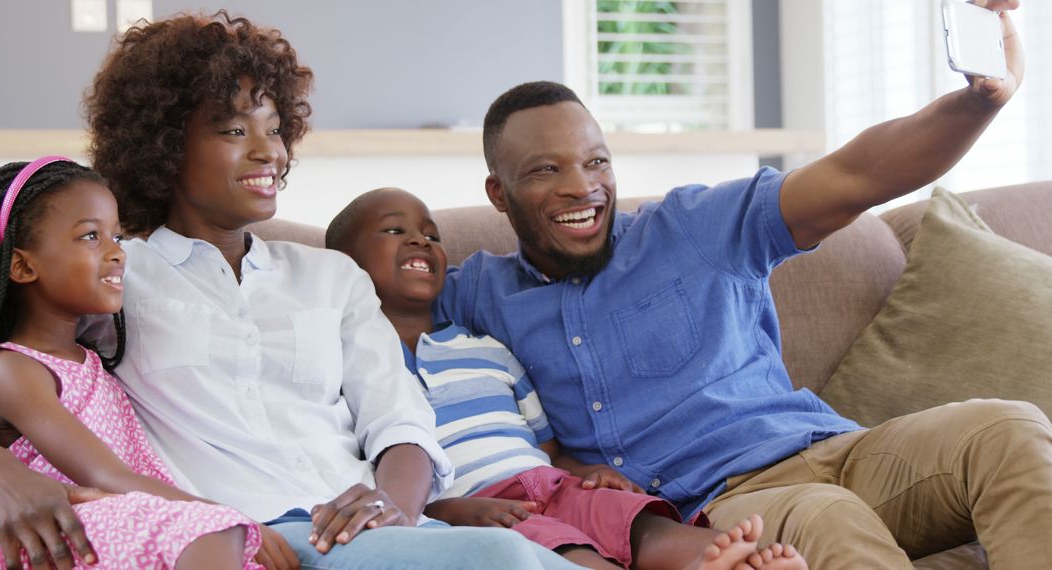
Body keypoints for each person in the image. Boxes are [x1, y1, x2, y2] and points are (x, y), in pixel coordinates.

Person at [437, 2, 1052, 568]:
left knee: (1007, 427)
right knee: (828, 518)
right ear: (499, 193)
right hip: (726, 502)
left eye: (596, 161)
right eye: (547, 170)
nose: (582, 187)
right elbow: (355, 295)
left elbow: (857, 174)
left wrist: (981, 101)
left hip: (838, 449)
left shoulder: (691, 227)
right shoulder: (477, 295)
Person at [0, 11, 575, 570]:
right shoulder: (113, 274)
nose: (270, 151)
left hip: (377, 532)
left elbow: (400, 421)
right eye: (235, 129)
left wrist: (392, 505)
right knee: (506, 559)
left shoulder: (332, 276)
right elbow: (5, 350)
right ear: (164, 145)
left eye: (276, 127)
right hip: (245, 542)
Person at [327, 186, 808, 570]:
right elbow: (361, 472)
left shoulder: (486, 350)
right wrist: (442, 511)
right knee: (563, 550)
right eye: (395, 230)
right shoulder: (347, 365)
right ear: (341, 267)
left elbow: (549, 448)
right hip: (479, 505)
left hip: (550, 481)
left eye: (430, 234)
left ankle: (715, 557)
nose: (421, 241)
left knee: (633, 522)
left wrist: (590, 474)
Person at [0, 158, 262, 569]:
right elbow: (104, 476)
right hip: (63, 527)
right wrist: (228, 514)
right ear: (22, 266)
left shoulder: (91, 357)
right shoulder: (16, 370)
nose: (116, 254)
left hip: (118, 517)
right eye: (91, 236)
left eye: (118, 237)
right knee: (218, 530)